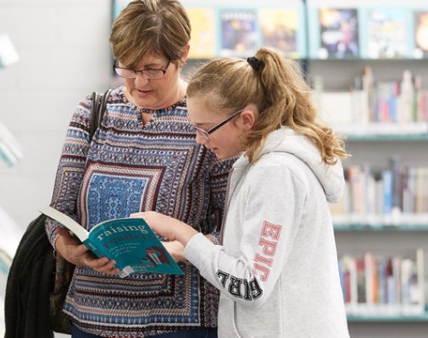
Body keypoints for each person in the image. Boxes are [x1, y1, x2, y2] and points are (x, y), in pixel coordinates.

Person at [44, 0, 234, 337]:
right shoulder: (93, 112)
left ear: (183, 54)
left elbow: (233, 230)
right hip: (90, 319)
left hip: (179, 324)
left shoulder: (208, 123)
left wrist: (184, 249)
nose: (138, 81)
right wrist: (71, 251)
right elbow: (58, 213)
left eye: (152, 68)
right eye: (128, 68)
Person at [132, 48, 351, 338]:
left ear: (246, 119)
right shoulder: (260, 163)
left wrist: (180, 231)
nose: (200, 140)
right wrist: (190, 250)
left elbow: (251, 286)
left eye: (206, 129)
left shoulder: (276, 173)